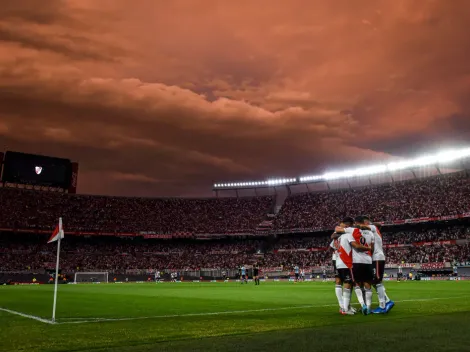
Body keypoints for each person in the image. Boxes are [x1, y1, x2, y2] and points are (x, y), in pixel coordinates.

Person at [362, 216, 394, 314]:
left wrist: (356, 226)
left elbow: (372, 226)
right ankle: (387, 301)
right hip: (375, 258)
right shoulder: (373, 230)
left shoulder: (372, 227)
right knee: (373, 281)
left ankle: (383, 306)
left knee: (377, 281)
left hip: (377, 258)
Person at [347, 216, 375, 315]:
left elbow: (356, 246)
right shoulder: (371, 233)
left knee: (357, 284)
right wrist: (368, 249)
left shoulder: (352, 231)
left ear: (356, 223)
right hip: (368, 261)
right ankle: (368, 307)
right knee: (368, 285)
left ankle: (363, 304)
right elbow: (372, 248)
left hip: (357, 261)